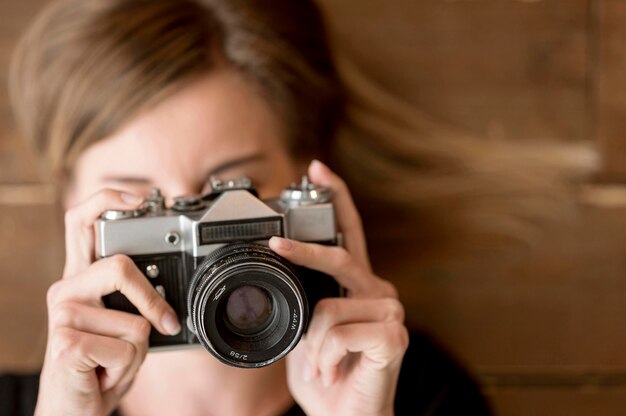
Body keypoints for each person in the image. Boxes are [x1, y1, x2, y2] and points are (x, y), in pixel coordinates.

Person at [2, 0, 491, 414]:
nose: (192, 232)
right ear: (72, 205)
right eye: (137, 202)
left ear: (308, 177)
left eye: (233, 187)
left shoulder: (414, 389)